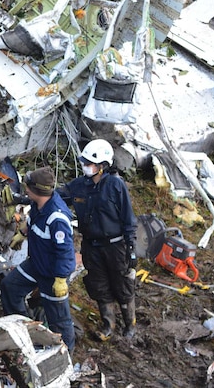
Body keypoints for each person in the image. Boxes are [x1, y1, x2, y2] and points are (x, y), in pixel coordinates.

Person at [60, 139, 137, 340]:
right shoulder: (78, 186)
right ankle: (108, 325)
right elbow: (58, 197)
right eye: (84, 162)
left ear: (102, 166)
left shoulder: (115, 186)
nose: (86, 166)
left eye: (90, 163)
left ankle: (130, 325)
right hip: (91, 247)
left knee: (122, 285)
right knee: (99, 285)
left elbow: (128, 218)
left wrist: (131, 248)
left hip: (115, 246)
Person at [1, 166, 76, 353]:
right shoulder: (38, 204)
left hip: (53, 274)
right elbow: (32, 220)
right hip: (36, 263)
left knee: (59, 318)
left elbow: (66, 252)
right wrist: (22, 233)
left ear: (38, 190)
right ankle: (23, 332)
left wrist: (60, 279)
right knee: (10, 287)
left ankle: (65, 354)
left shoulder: (57, 218)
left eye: (28, 187)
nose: (25, 190)